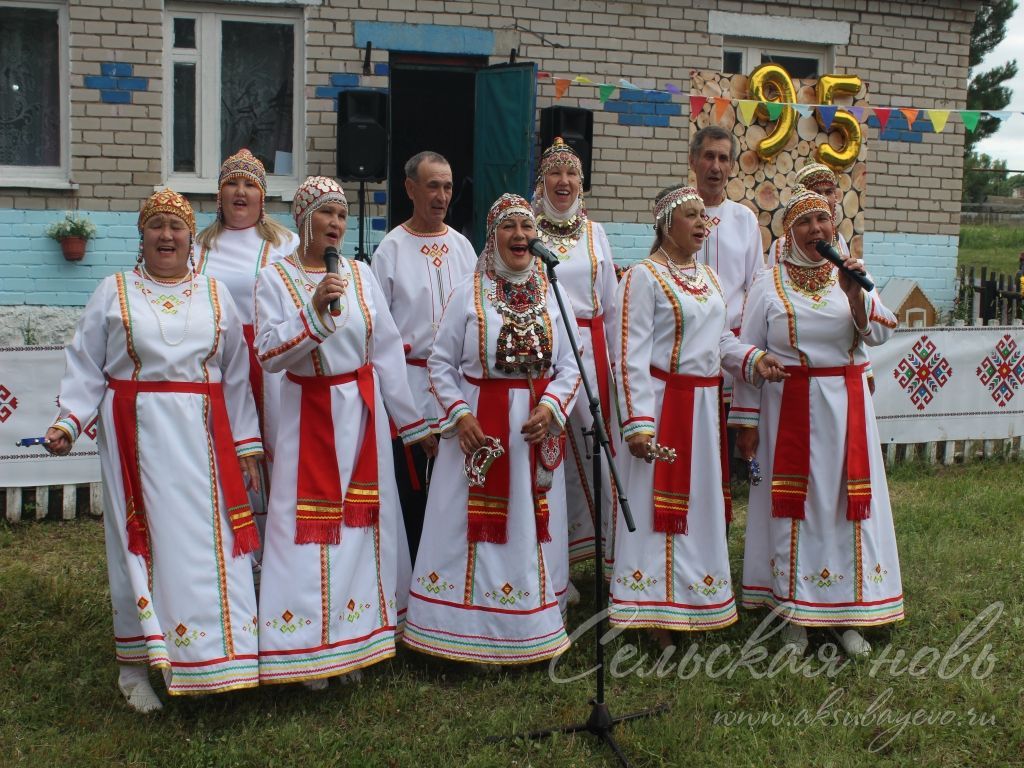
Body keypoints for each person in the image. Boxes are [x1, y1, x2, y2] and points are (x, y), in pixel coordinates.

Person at [44, 189, 263, 711]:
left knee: (208, 546)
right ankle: (135, 669)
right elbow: (85, 365)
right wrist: (69, 422)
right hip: (135, 439)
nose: (167, 235)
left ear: (193, 237)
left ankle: (219, 658)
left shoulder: (215, 295)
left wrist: (247, 445)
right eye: (157, 226)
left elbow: (235, 378)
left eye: (177, 226)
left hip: (205, 440)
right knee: (139, 548)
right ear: (142, 236)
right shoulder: (112, 291)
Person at [254, 176, 431, 687]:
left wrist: (411, 423)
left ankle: (355, 642)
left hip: (363, 415)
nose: (335, 224)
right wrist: (313, 313)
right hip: (308, 414)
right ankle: (307, 647)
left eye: (341, 216)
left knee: (361, 526)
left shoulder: (359, 273)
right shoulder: (274, 278)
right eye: (326, 214)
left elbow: (386, 349)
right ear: (303, 220)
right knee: (308, 528)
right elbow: (269, 354)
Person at [403, 193, 582, 665]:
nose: (520, 235)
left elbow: (572, 366)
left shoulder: (553, 293)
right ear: (492, 236)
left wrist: (551, 408)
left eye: (527, 227)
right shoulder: (468, 291)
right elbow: (439, 364)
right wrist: (460, 415)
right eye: (509, 227)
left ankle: (528, 628)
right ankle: (455, 631)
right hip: (479, 432)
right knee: (463, 527)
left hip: (533, 432)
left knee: (529, 525)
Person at [609, 186, 786, 646]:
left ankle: (688, 602)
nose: (702, 223)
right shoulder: (643, 277)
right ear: (667, 223)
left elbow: (720, 341)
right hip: (665, 407)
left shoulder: (708, 277)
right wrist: (638, 422)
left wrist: (752, 359)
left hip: (705, 409)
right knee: (656, 510)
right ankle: (649, 615)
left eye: (703, 216)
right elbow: (628, 353)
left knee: (699, 510)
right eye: (691, 215)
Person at [730, 189, 903, 658]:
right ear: (789, 233)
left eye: (823, 221)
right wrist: (746, 423)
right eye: (804, 223)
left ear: (834, 228)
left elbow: (884, 331)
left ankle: (848, 614)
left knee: (847, 506)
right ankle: (794, 614)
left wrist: (856, 296)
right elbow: (747, 353)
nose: (816, 231)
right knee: (795, 507)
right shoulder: (768, 283)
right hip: (788, 408)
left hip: (846, 412)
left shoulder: (849, 275)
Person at [371, 151, 473, 561]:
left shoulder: (465, 247)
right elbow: (378, 331)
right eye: (432, 185)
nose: (441, 196)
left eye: (447, 186)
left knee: (453, 492)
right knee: (411, 491)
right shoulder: (390, 250)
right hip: (408, 387)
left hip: (456, 390)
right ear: (410, 188)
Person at [195, 148, 299, 546]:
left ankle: (274, 547)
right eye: (231, 184)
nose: (241, 192)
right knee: (221, 446)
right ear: (219, 195)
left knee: (273, 450)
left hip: (270, 361)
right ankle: (230, 542)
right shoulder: (198, 247)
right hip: (216, 360)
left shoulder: (284, 244)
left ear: (263, 195)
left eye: (250, 184)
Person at [531, 138, 618, 586]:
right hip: (549, 353)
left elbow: (612, 303)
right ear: (541, 181)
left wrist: (616, 364)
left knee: (598, 450)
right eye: (555, 173)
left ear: (581, 184)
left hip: (593, 349)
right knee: (553, 457)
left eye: (571, 175)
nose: (563, 182)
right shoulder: (528, 232)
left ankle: (606, 561)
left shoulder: (594, 233)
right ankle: (553, 563)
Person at [767, 162, 851, 265]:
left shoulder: (839, 240)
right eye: (817, 193)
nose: (825, 199)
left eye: (829, 192)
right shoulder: (781, 246)